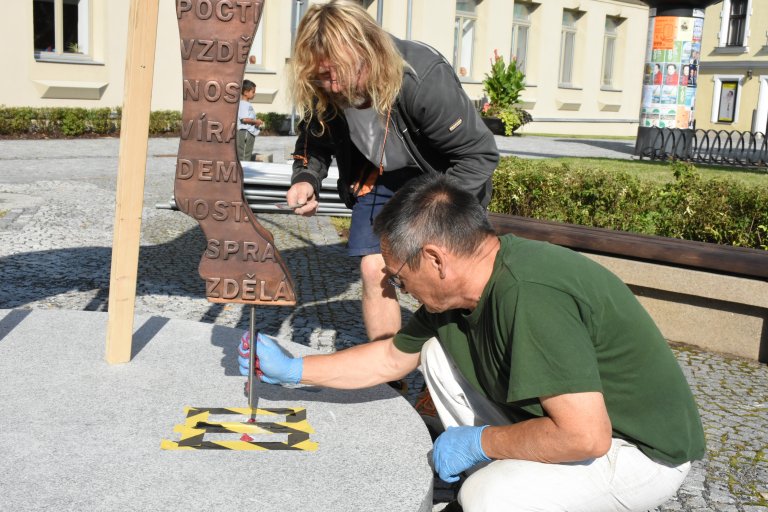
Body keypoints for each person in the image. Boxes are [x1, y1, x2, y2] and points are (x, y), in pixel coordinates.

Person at [243, 174, 706, 512]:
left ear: (435, 259)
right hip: (580, 428)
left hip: (639, 453)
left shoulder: (531, 293)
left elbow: (586, 435)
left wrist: (483, 441)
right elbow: (389, 357)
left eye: (401, 278)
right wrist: (296, 369)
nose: (399, 289)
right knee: (435, 353)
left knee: (489, 496)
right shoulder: (464, 289)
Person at [283, 0, 498, 346]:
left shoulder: (422, 77)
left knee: (442, 274)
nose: (332, 86)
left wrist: (429, 217)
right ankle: (389, 374)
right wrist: (306, 179)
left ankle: (450, 376)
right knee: (373, 268)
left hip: (440, 176)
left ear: (366, 50)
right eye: (321, 76)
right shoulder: (324, 86)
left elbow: (479, 155)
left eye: (338, 72)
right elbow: (314, 140)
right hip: (381, 176)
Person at [236, 79, 263, 162]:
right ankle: (244, 170)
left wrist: (256, 123)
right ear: (245, 92)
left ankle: (245, 169)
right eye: (253, 92)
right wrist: (256, 122)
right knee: (244, 154)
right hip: (245, 133)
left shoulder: (247, 104)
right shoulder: (243, 104)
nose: (254, 94)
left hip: (249, 132)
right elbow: (244, 119)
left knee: (247, 153)